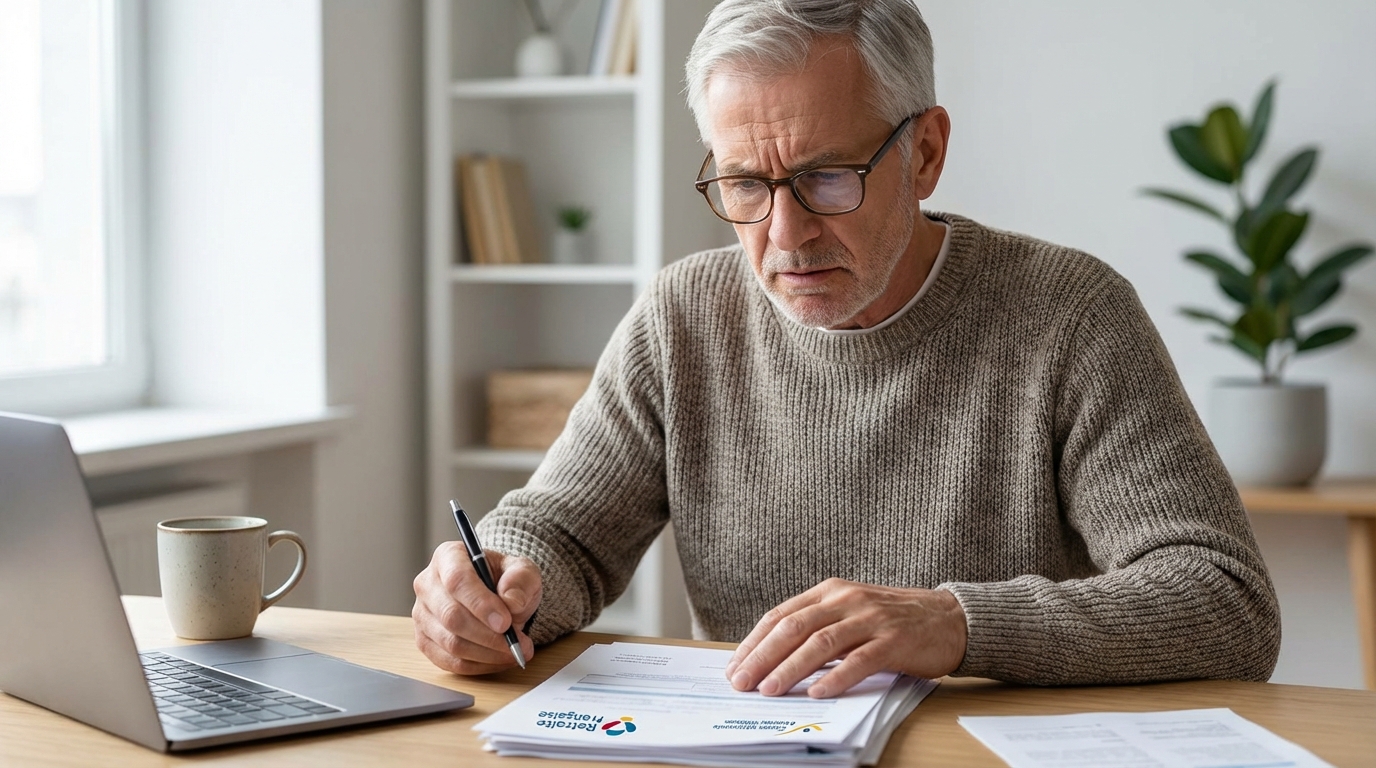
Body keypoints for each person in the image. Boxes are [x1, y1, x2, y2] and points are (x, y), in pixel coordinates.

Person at [412, 0, 1280, 697]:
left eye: (827, 177)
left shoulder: (1070, 314)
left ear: (927, 153)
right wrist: (498, 586)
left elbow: (1226, 602)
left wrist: (960, 623)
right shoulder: (685, 315)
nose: (785, 234)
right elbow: (563, 533)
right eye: (745, 182)